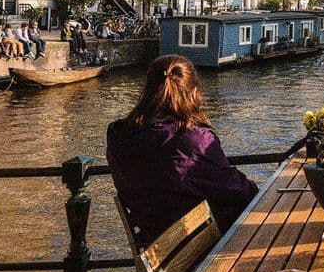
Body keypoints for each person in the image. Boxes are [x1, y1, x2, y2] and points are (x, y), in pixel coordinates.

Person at [106, 55, 258, 246]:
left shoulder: (118, 136)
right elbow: (239, 192)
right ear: (194, 92)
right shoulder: (193, 141)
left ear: (147, 90)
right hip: (201, 248)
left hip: (154, 247)